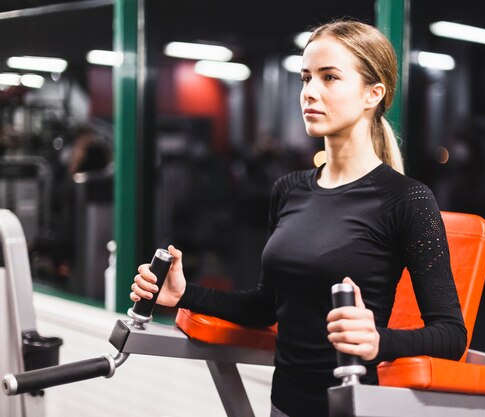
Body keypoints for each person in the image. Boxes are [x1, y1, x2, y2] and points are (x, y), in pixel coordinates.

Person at [130, 20, 467, 417]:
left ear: (372, 94)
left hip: (353, 407)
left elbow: (450, 335)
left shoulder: (406, 199)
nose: (309, 92)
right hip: (283, 406)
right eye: (306, 78)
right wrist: (184, 294)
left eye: (330, 78)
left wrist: (379, 341)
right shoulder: (289, 190)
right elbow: (266, 307)